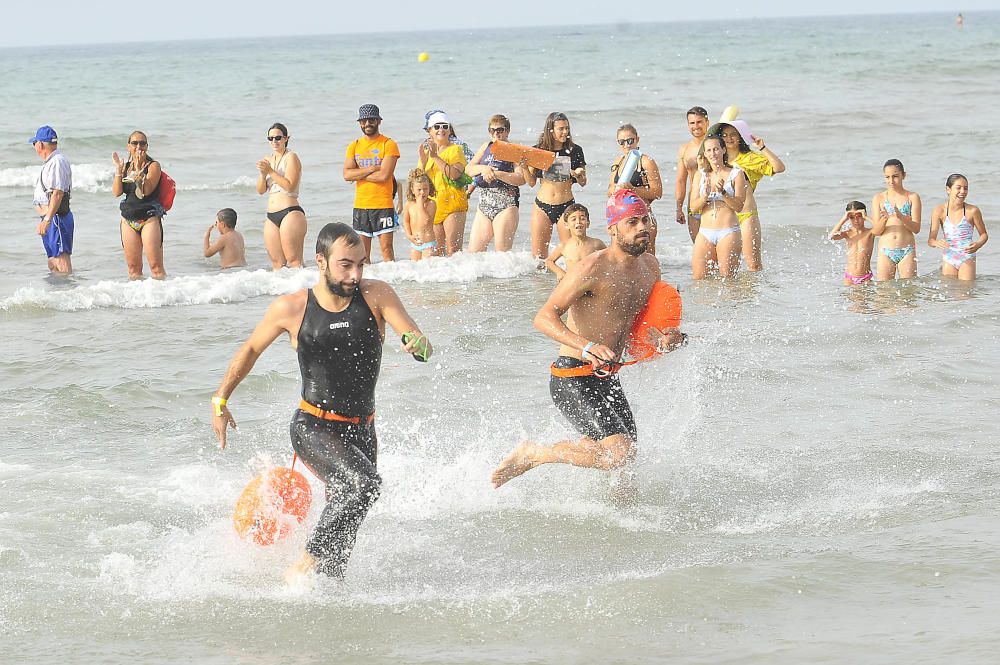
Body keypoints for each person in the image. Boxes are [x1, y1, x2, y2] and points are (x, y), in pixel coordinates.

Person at [211, 222, 433, 582]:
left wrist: (417, 345)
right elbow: (250, 350)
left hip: (363, 430)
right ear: (321, 261)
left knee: (345, 529)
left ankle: (327, 594)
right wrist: (220, 400)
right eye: (346, 264)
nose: (355, 274)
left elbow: (419, 340)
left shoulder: (377, 295)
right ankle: (298, 570)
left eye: (361, 263)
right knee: (364, 485)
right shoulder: (293, 307)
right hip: (313, 426)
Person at [491, 190, 685, 494]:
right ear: (612, 229)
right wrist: (586, 346)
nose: (642, 227)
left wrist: (664, 338)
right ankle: (535, 454)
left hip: (608, 378)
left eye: (645, 219)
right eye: (632, 221)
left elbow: (635, 326)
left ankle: (626, 528)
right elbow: (544, 317)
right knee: (620, 454)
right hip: (572, 375)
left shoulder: (650, 268)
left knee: (626, 467)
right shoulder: (591, 268)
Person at [708, 119, 785, 271]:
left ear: (741, 137)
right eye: (724, 135)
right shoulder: (715, 157)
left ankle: (752, 294)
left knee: (753, 264)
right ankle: (733, 294)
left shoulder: (750, 158)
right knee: (723, 266)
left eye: (733, 135)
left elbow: (779, 168)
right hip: (723, 218)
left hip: (745, 216)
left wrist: (762, 147)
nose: (728, 138)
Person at [525, 112, 587, 259]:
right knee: (538, 257)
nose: (565, 132)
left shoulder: (575, 150)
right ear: (550, 130)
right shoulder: (538, 150)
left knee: (571, 254)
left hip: (566, 206)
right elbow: (531, 182)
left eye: (567, 128)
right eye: (561, 129)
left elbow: (583, 182)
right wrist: (523, 167)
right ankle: (542, 283)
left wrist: (578, 174)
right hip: (542, 206)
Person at [343, 104, 401, 262]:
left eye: (371, 120)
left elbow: (384, 176)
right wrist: (372, 168)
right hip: (361, 206)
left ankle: (391, 283)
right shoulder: (354, 146)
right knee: (362, 254)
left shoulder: (388, 144)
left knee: (386, 249)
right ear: (360, 123)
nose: (367, 123)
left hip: (383, 205)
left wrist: (359, 173)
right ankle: (366, 284)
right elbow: (347, 174)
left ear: (378, 121)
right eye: (364, 120)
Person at [466, 114, 527, 252]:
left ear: (507, 131)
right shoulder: (485, 146)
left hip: (506, 205)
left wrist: (497, 174)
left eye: (499, 130)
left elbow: (521, 178)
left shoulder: (514, 150)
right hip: (484, 205)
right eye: (492, 130)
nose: (495, 133)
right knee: (473, 253)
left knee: (501, 253)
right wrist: (484, 169)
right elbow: (469, 169)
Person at [689, 136, 746, 279]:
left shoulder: (736, 174)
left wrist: (723, 193)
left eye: (716, 149)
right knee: (699, 280)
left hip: (728, 232)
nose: (713, 153)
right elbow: (693, 208)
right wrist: (705, 196)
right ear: (705, 154)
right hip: (705, 232)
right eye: (709, 150)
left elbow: (739, 206)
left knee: (727, 280)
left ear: (723, 150)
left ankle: (731, 302)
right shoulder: (700, 175)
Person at [111, 130, 166, 279]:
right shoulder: (126, 167)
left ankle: (161, 298)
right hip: (128, 219)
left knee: (156, 268)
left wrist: (141, 168)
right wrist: (118, 170)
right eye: (134, 143)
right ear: (128, 146)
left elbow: (145, 192)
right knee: (133, 269)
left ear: (147, 146)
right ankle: (137, 301)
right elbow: (116, 192)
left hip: (148, 218)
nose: (139, 146)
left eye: (142, 143)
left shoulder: (153, 166)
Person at [257, 123, 307, 270]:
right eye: (270, 138)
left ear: (286, 138)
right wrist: (262, 174)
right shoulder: (268, 159)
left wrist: (270, 171)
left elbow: (289, 185)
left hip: (290, 211)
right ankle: (281, 293)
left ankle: (302, 291)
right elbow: (260, 190)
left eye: (278, 137)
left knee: (293, 261)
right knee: (277, 263)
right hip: (271, 215)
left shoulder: (291, 157)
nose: (274, 141)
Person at [418, 110, 469, 256]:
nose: (441, 129)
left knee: (453, 251)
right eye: (437, 126)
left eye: (445, 126)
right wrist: (423, 161)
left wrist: (435, 157)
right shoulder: (426, 151)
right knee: (436, 253)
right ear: (429, 131)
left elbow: (454, 175)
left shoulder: (456, 149)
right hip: (434, 205)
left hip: (453, 203)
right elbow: (419, 180)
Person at [607, 124, 663, 254]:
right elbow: (609, 190)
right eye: (622, 142)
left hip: (642, 217)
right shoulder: (618, 161)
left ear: (637, 139)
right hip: (622, 220)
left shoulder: (646, 161)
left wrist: (633, 189)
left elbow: (657, 192)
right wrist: (615, 189)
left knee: (646, 258)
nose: (626, 145)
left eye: (630, 140)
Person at [29, 126, 74, 274]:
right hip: (51, 217)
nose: (34, 147)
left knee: (61, 260)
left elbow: (58, 193)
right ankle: (59, 293)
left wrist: (47, 219)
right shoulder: (52, 161)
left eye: (34, 143)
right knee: (53, 262)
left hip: (56, 218)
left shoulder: (56, 161)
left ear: (40, 144)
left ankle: (69, 292)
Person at [928, 174, 988, 281]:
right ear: (948, 189)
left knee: (965, 293)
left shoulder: (972, 211)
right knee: (949, 293)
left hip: (967, 256)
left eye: (966, 188)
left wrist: (978, 244)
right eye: (958, 187)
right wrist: (937, 243)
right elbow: (930, 240)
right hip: (949, 257)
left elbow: (984, 235)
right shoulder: (939, 210)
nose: (963, 191)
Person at [871, 159, 922, 281]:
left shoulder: (912, 197)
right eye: (887, 177)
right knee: (884, 292)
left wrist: (901, 217)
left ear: (903, 175)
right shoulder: (879, 198)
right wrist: (884, 219)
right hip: (885, 250)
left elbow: (916, 229)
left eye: (895, 176)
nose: (891, 181)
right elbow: (876, 232)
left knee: (908, 291)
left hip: (906, 250)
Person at [675, 106, 710, 242]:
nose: (696, 126)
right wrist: (678, 207)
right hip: (693, 202)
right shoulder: (685, 149)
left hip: (714, 200)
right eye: (692, 123)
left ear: (707, 122)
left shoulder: (715, 145)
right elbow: (681, 180)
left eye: (699, 122)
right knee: (698, 246)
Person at [545, 204, 605, 281]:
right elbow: (549, 261)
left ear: (588, 223)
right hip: (572, 282)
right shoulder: (564, 246)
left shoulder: (596, 244)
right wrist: (559, 272)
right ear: (567, 225)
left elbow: (610, 258)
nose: (578, 222)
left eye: (582, 218)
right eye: (573, 219)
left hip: (591, 282)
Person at [829, 201, 875, 285]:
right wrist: (844, 219)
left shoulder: (870, 233)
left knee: (866, 297)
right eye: (852, 217)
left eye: (859, 216)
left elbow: (880, 228)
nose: (856, 220)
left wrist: (866, 217)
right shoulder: (847, 233)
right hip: (849, 277)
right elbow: (832, 236)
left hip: (865, 277)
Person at [402, 168, 438, 260]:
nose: (422, 192)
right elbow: (406, 221)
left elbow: (426, 220)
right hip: (415, 245)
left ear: (429, 188)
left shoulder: (431, 204)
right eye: (419, 190)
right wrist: (409, 236)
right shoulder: (409, 204)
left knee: (428, 269)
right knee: (415, 269)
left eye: (425, 189)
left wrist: (420, 204)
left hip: (429, 245)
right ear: (412, 190)